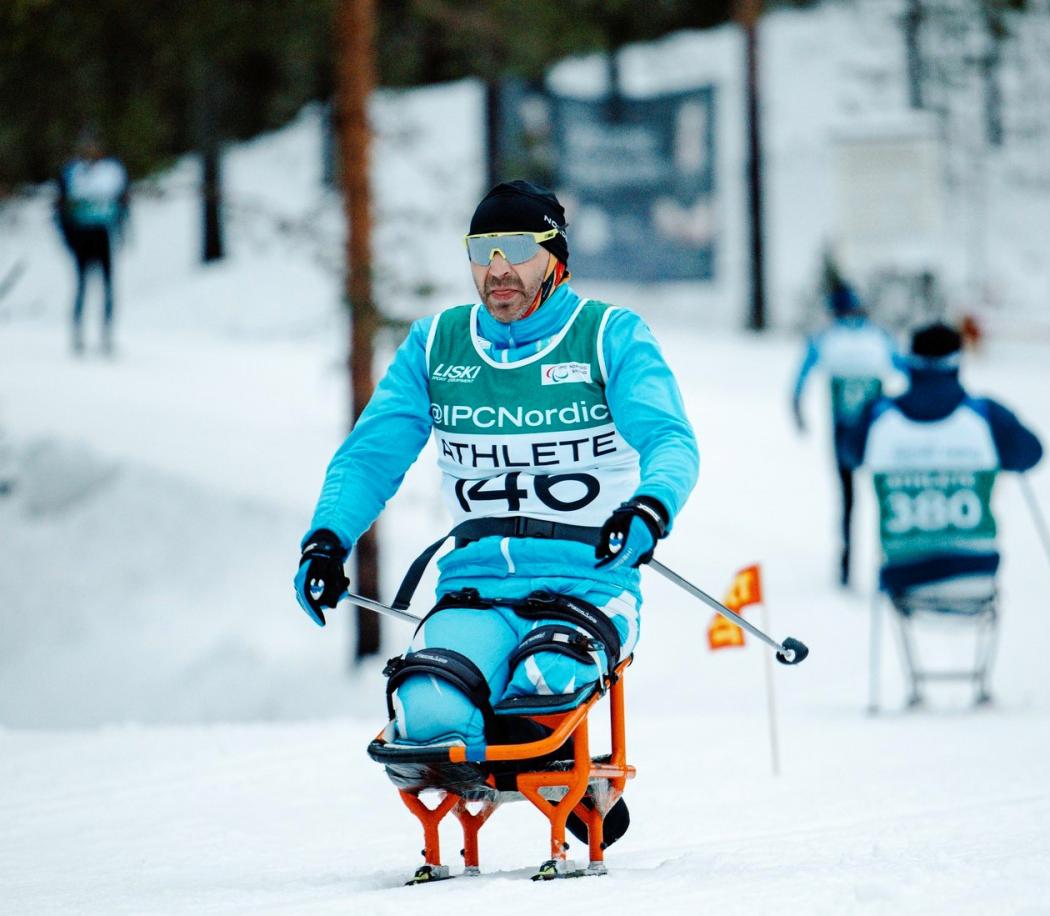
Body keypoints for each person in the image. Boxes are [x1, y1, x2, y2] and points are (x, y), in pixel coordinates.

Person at [294, 179, 699, 842]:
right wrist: (326, 541)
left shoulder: (608, 335)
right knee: (426, 716)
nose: (498, 270)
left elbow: (669, 438)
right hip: (475, 591)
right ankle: (543, 771)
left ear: (556, 259)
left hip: (588, 583)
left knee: (542, 690)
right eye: (481, 251)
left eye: (517, 249)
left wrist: (651, 506)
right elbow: (369, 456)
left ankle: (560, 768)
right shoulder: (436, 345)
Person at [845, 321, 1043, 597]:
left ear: (910, 362)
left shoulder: (878, 415)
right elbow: (1031, 454)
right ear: (958, 362)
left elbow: (849, 453)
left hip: (902, 575)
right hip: (977, 573)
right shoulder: (985, 415)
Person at [792, 281, 901, 586]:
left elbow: (800, 381)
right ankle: (887, 563)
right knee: (883, 498)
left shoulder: (826, 339)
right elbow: (906, 369)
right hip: (876, 432)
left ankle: (846, 565)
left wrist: (798, 412)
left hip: (842, 433)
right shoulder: (879, 337)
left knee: (848, 499)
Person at [54, 132, 129, 355]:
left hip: (103, 233)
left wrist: (123, 229)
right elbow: (60, 207)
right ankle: (78, 333)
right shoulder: (72, 172)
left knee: (107, 285)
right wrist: (67, 236)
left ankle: (106, 334)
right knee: (82, 285)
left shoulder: (112, 171)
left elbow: (123, 203)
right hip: (81, 234)